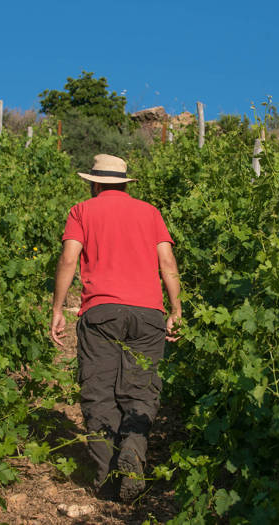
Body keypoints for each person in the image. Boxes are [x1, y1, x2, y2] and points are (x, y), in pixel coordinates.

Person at [50, 153, 181, 501]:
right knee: (141, 390)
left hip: (101, 311)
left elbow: (68, 258)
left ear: (94, 183)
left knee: (99, 390)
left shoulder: (82, 211)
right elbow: (167, 261)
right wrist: (176, 308)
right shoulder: (150, 212)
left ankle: (108, 477)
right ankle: (133, 453)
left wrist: (57, 308)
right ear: (124, 183)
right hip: (148, 313)